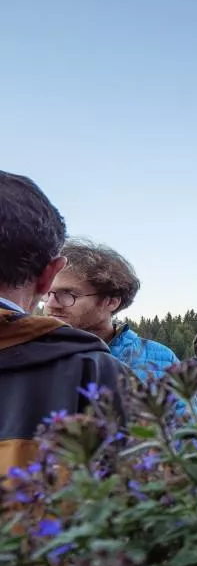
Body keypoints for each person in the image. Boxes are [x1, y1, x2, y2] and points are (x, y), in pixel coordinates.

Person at [0, 171, 127, 473]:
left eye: (68, 294)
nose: (53, 303)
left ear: (112, 302)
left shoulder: (101, 364)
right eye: (54, 294)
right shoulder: (96, 371)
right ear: (49, 275)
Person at [45, 240, 179, 380]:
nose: (50, 304)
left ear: (111, 302)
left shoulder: (163, 362)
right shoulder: (34, 351)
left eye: (68, 294)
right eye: (47, 293)